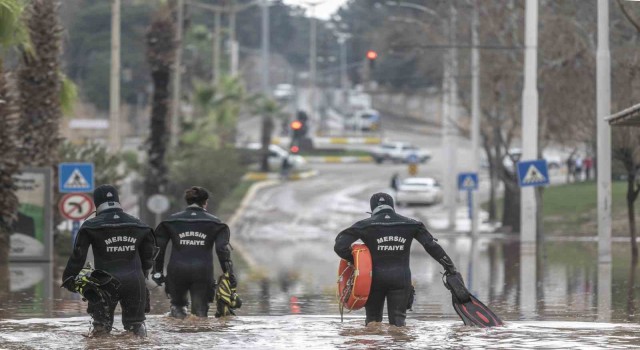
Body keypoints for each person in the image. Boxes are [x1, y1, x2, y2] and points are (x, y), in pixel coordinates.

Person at [334, 192, 460, 327]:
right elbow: (431, 246)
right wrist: (449, 267)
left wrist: (357, 261)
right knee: (398, 325)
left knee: (373, 324)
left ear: (372, 208)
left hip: (373, 280)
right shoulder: (411, 224)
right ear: (392, 206)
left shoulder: (364, 226)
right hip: (401, 279)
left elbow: (339, 246)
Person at [62, 184, 156, 337]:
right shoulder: (140, 225)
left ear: (96, 203)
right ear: (118, 200)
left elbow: (78, 257)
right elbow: (148, 256)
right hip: (134, 282)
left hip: (103, 283)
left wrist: (68, 278)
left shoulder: (90, 226)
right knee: (136, 329)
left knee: (101, 330)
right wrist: (144, 274)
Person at [152, 186, 237, 318]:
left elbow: (158, 249)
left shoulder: (170, 222)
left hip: (176, 272)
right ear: (205, 202)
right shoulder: (216, 223)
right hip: (203, 273)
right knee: (200, 314)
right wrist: (229, 274)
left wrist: (157, 272)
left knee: (177, 311)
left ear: (187, 201)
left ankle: (179, 334)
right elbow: (222, 250)